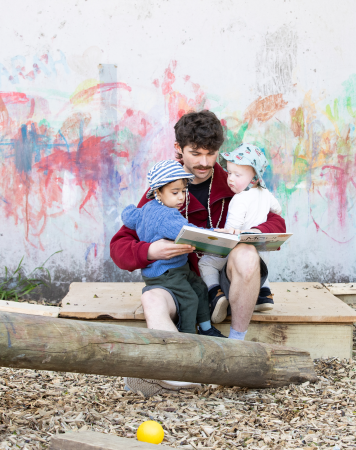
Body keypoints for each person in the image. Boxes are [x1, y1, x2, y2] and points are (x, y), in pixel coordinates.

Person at [110, 109, 286, 393]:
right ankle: (179, 372)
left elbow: (275, 220)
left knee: (246, 254)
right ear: (178, 149)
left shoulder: (234, 182)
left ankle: (235, 349)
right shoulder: (164, 187)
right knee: (151, 299)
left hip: (227, 276)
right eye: (195, 153)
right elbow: (120, 245)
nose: (204, 162)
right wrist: (151, 250)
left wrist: (251, 234)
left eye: (211, 153)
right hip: (182, 281)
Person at [121, 160, 226, 338]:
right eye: (175, 192)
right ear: (157, 193)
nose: (181, 197)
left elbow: (129, 216)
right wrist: (214, 233)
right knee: (190, 299)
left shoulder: (145, 208)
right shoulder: (167, 216)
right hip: (168, 272)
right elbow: (190, 233)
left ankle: (207, 329)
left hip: (166, 270)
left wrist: (127, 209)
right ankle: (188, 336)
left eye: (184, 191)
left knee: (200, 288)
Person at [198, 144, 281, 323]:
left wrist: (222, 233)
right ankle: (264, 295)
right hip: (262, 255)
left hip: (239, 253)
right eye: (229, 173)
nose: (230, 179)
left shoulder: (239, 199)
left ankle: (216, 293)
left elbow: (231, 230)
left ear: (254, 178)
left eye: (237, 175)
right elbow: (278, 209)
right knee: (256, 263)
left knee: (206, 262)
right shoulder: (266, 194)